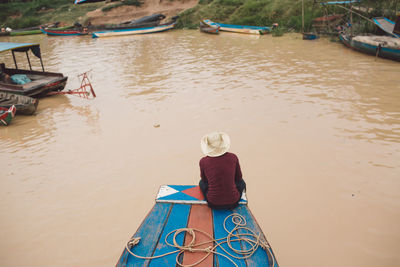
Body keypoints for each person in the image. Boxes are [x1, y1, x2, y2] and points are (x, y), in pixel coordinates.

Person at [199, 132, 246, 210]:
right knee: (241, 182)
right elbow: (238, 177)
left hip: (213, 203)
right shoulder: (233, 157)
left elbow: (204, 179)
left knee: (201, 183)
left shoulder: (203, 161)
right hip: (234, 202)